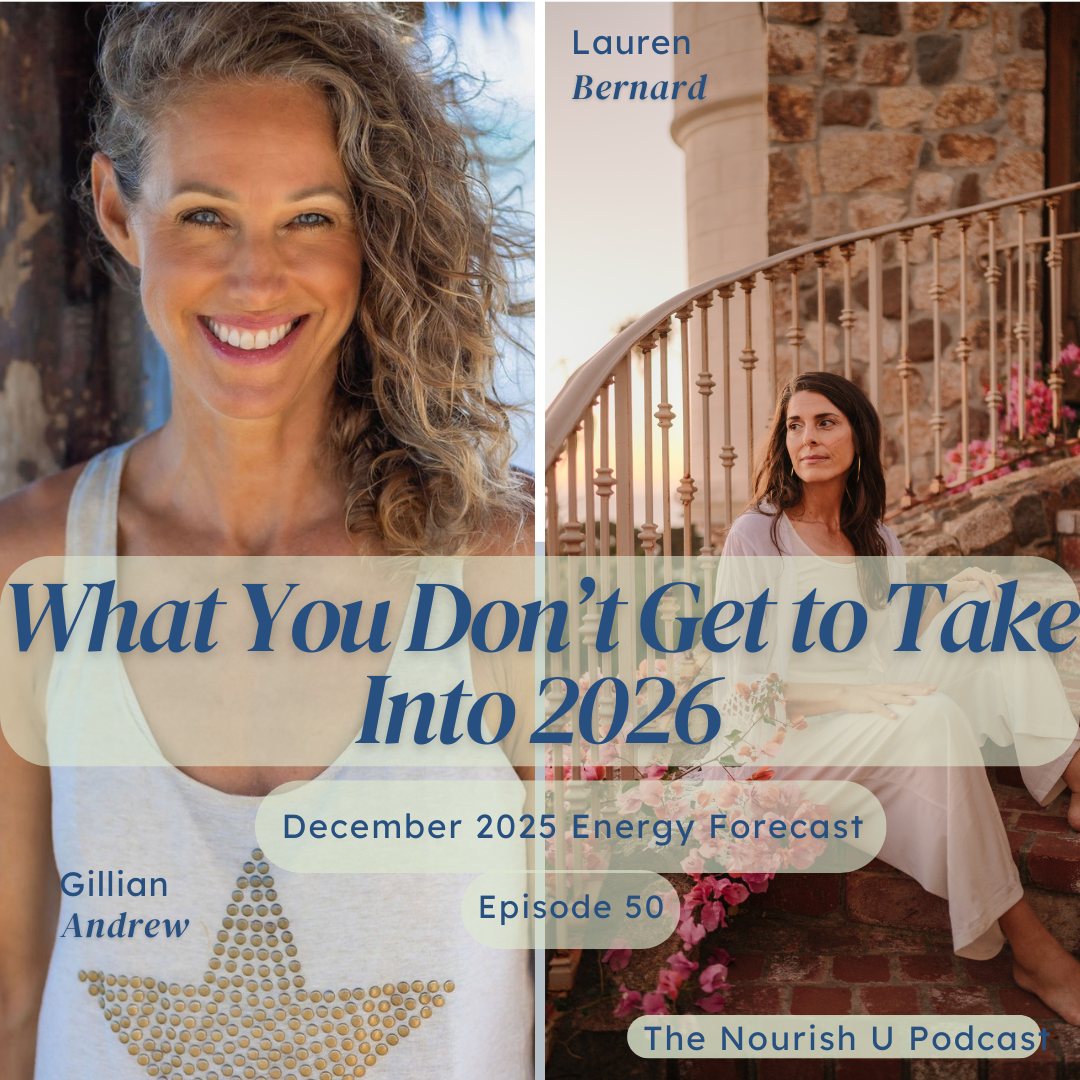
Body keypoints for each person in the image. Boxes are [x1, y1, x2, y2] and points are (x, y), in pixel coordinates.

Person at [0, 4, 534, 1078]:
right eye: (204, 214)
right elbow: (11, 990)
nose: (255, 277)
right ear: (117, 210)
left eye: (310, 218)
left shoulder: (501, 567)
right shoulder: (30, 565)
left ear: (372, 230)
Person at [715, 370, 1080, 1024]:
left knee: (985, 619)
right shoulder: (758, 535)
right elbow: (745, 693)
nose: (807, 437)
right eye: (794, 425)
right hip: (790, 740)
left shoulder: (878, 539)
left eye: (825, 421)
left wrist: (953, 606)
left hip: (879, 709)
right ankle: (1034, 949)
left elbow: (893, 652)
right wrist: (856, 693)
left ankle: (1077, 774)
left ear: (858, 435)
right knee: (932, 716)